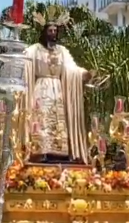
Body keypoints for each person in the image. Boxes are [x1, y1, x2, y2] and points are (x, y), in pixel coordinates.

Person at [21, 9, 94, 164]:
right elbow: (25, 65)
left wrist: (84, 74)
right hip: (41, 89)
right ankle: (39, 151)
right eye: (50, 30)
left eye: (55, 31)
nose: (53, 33)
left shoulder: (62, 51)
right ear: (44, 32)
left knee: (59, 122)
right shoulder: (34, 50)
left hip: (58, 90)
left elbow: (71, 69)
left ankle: (59, 153)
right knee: (41, 121)